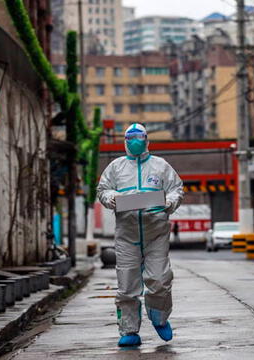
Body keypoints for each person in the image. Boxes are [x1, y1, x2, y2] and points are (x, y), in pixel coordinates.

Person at [97, 123, 184, 347]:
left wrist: (169, 201)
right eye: (130, 137)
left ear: (147, 140)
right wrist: (112, 197)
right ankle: (129, 330)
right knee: (126, 284)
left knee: (159, 279)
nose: (135, 140)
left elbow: (177, 188)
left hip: (156, 232)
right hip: (127, 233)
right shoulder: (116, 167)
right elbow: (103, 189)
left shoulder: (160, 166)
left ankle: (159, 316)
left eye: (139, 136)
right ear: (125, 141)